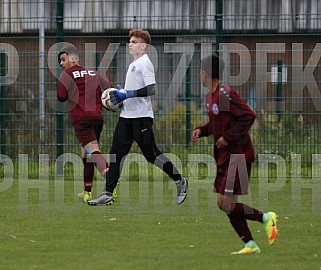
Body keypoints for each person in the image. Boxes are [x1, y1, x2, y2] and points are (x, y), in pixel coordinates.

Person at [88, 29, 188, 206]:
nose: (130, 44)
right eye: (130, 41)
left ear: (143, 45)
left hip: (141, 118)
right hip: (126, 117)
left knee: (152, 155)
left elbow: (151, 89)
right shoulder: (134, 63)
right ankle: (107, 193)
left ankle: (180, 180)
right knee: (116, 155)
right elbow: (132, 90)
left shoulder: (144, 62)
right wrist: (121, 94)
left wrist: (128, 94)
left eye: (134, 41)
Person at [191, 54, 278, 254]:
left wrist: (228, 137)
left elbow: (249, 115)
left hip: (239, 155)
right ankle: (250, 244)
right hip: (225, 157)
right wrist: (201, 130)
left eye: (200, 72)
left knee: (225, 203)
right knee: (226, 204)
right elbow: (218, 125)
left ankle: (266, 218)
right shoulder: (210, 97)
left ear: (205, 73)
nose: (199, 75)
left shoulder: (225, 93)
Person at [56, 44, 113, 203]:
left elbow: (61, 96)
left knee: (93, 151)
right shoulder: (95, 73)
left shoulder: (67, 74)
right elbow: (110, 91)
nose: (61, 63)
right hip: (97, 118)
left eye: (63, 59)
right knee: (86, 153)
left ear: (73, 58)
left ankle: (111, 181)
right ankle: (87, 192)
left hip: (81, 119)